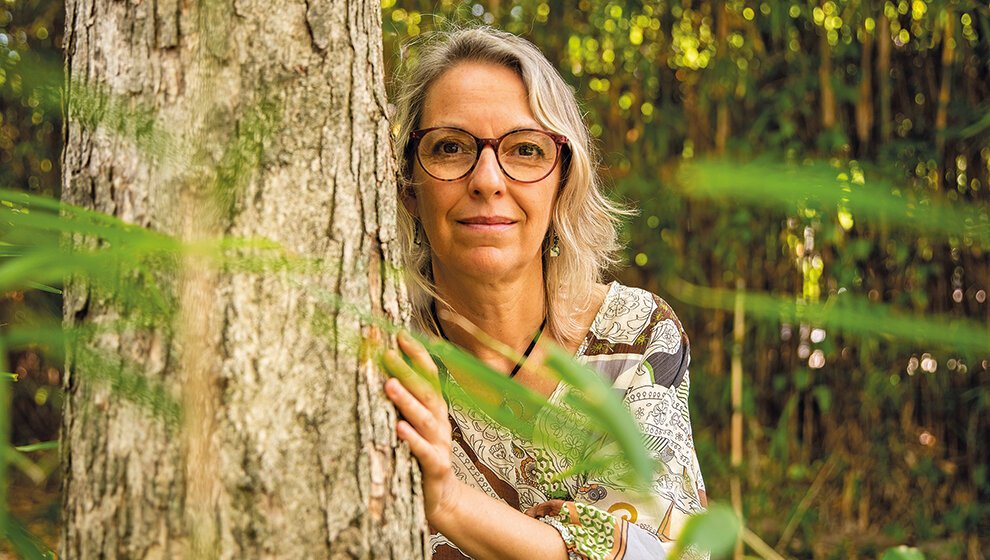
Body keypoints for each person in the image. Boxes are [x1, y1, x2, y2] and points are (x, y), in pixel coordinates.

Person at [381, 26, 707, 560]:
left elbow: (665, 553)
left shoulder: (633, 338)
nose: (487, 180)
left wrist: (450, 503)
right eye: (450, 147)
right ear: (408, 186)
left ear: (562, 183)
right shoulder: (384, 353)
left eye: (526, 150)